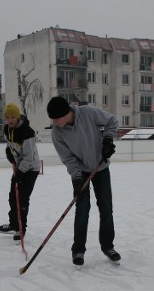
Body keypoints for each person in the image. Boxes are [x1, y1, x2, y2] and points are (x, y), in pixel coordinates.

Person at [46, 96, 120, 266]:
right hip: (81, 172)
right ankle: (78, 249)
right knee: (82, 210)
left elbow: (112, 121)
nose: (55, 122)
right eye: (53, 120)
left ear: (66, 113)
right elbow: (68, 159)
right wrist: (77, 180)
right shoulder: (57, 133)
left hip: (100, 168)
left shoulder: (88, 113)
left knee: (106, 208)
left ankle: (108, 246)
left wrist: (108, 139)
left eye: (57, 119)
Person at [0, 103, 40, 241]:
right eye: (7, 117)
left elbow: (29, 158)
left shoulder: (27, 132)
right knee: (12, 197)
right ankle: (13, 224)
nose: (10, 120)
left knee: (22, 198)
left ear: (17, 118)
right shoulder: (7, 130)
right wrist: (10, 155)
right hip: (19, 167)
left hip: (30, 169)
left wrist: (21, 173)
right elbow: (10, 146)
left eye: (12, 117)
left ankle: (21, 229)